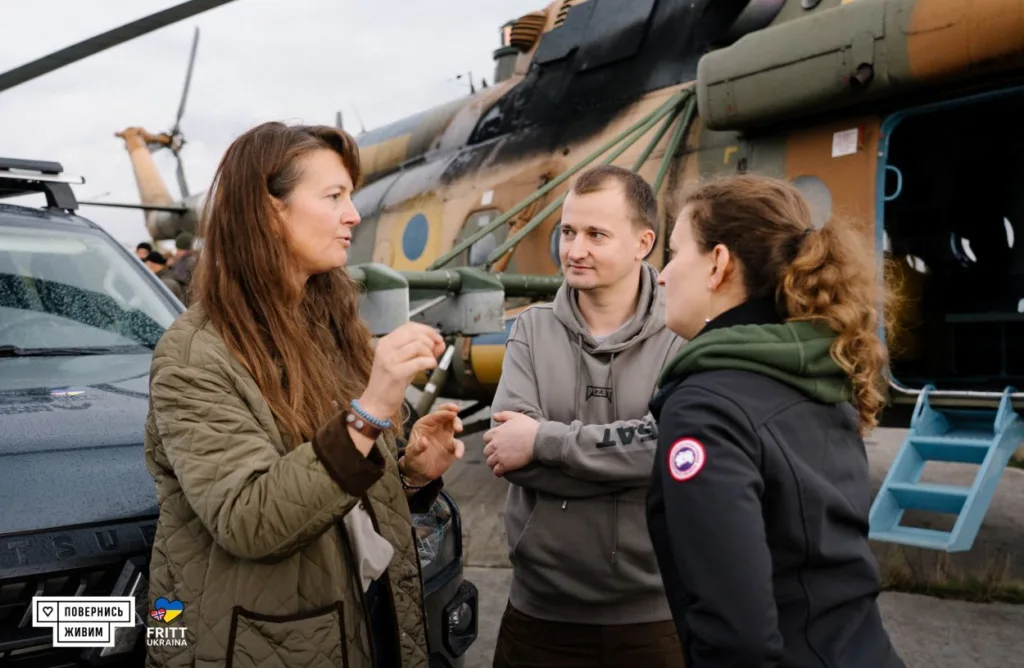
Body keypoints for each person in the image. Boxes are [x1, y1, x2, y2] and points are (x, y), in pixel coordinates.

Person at [144, 121, 465, 668]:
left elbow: (343, 498)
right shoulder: (195, 354)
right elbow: (249, 519)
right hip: (256, 646)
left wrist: (410, 474)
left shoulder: (331, 326)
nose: (354, 215)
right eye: (334, 196)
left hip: (364, 626)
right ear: (271, 212)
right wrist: (369, 415)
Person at [647, 174, 906, 667]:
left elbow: (737, 638)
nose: (661, 275)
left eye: (674, 254)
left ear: (718, 265)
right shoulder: (817, 374)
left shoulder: (705, 408)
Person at [483, 165, 685, 667]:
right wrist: (626, 464)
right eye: (568, 232)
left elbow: (673, 451)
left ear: (643, 242)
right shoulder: (531, 330)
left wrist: (545, 443)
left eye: (596, 234)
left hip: (654, 617)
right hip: (541, 614)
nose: (574, 250)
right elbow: (511, 456)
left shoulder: (681, 334)